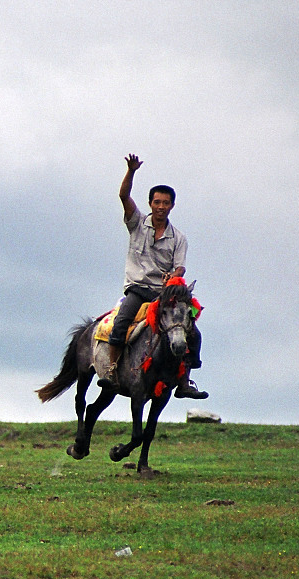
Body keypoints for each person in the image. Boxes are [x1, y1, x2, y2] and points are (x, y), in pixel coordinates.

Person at [99, 154, 207, 398]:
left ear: (172, 206)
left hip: (163, 293)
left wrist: (174, 276)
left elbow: (180, 268)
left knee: (191, 331)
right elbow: (124, 196)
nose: (161, 206)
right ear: (150, 204)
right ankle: (113, 372)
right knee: (120, 324)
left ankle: (184, 382)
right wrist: (131, 171)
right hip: (138, 289)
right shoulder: (137, 224)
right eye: (157, 202)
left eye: (166, 202)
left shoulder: (179, 238)